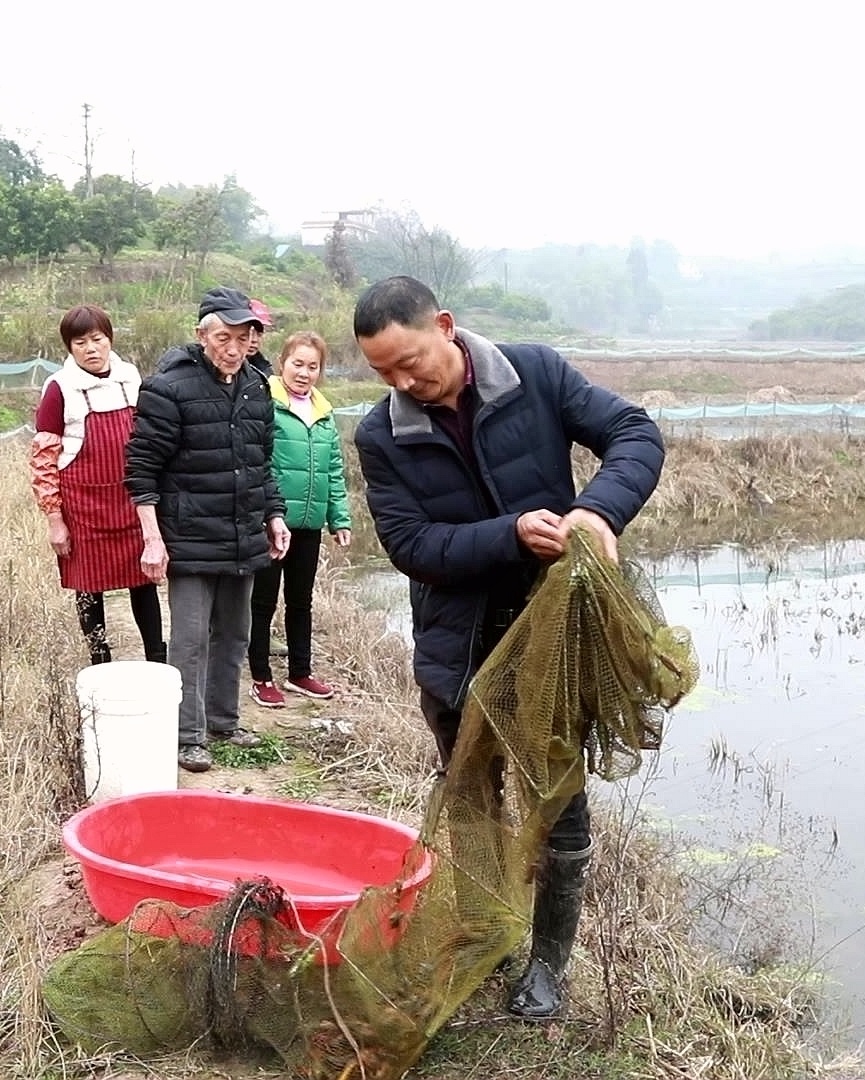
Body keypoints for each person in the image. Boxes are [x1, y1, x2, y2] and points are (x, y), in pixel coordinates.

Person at [351, 275, 664, 1019]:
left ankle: (548, 964)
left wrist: (597, 512)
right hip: (456, 649)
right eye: (382, 372)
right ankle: (484, 931)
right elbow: (411, 544)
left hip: (551, 642)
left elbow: (636, 434)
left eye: (412, 361)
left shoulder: (537, 374)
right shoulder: (381, 434)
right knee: (470, 797)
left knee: (560, 805)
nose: (403, 382)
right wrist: (512, 532)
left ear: (446, 327)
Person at [125, 286, 290, 773]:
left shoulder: (258, 386)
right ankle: (187, 735)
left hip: (241, 532)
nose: (234, 348)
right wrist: (153, 537)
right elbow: (141, 469)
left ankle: (223, 719)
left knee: (235, 633)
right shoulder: (169, 387)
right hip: (190, 534)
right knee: (191, 638)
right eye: (223, 337)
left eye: (243, 338)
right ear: (201, 335)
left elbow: (262, 463)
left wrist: (274, 515)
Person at [29, 304, 167, 667]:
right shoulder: (59, 389)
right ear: (69, 348)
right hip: (83, 506)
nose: (91, 349)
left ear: (109, 339)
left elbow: (148, 436)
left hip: (129, 500)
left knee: (143, 581)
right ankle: (100, 664)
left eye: (97, 339)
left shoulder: (130, 378)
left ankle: (157, 658)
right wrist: (54, 519)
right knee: (89, 587)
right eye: (80, 342)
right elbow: (43, 459)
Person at [248, 331, 351, 707]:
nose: (304, 373)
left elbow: (334, 471)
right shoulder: (265, 402)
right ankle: (260, 676)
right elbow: (258, 462)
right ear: (282, 364)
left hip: (309, 524)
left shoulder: (324, 413)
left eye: (313, 366)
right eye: (298, 364)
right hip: (272, 522)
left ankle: (300, 672)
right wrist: (266, 512)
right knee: (262, 602)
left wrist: (339, 518)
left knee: (301, 600)